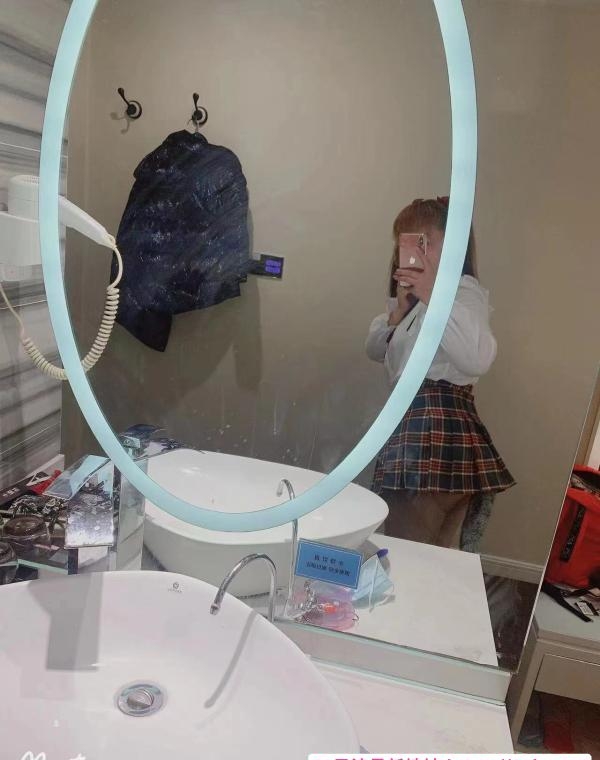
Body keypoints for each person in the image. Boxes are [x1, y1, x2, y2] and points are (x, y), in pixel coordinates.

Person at [366, 197, 515, 548]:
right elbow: (375, 350)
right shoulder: (417, 305)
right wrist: (399, 311)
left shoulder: (461, 291)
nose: (411, 251)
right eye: (405, 242)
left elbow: (477, 358)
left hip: (432, 430)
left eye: (424, 241)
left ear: (452, 246)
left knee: (409, 554)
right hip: (425, 428)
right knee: (430, 556)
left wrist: (432, 291)